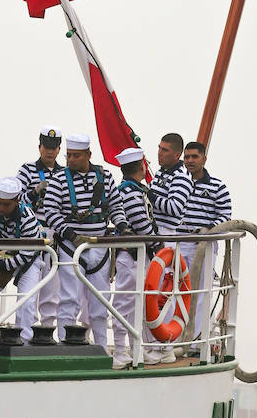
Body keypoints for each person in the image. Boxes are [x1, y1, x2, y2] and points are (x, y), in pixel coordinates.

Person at [44, 133, 125, 348]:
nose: (70, 160)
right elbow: (51, 212)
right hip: (70, 247)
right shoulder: (59, 179)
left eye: (76, 156)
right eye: (69, 155)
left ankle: (102, 348)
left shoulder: (105, 177)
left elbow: (116, 206)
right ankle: (64, 346)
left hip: (98, 248)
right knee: (68, 300)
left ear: (88, 155)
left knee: (100, 302)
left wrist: (122, 225)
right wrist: (70, 235)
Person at [0, 176, 44, 342]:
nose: (1, 207)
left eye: (6, 204)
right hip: (1, 255)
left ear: (17, 201)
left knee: (26, 301)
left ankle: (24, 342)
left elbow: (27, 255)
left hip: (28, 261)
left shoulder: (27, 217)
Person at [182, 140, 232, 354]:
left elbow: (225, 217)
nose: (190, 161)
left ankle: (194, 343)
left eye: (194, 157)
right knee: (174, 291)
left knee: (201, 293)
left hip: (204, 245)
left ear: (204, 159)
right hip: (179, 243)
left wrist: (208, 230)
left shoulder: (217, 187)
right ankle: (173, 340)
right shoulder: (179, 184)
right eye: (187, 157)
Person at [112, 147, 158, 368]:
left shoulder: (134, 190)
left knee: (139, 305)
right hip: (130, 257)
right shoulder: (130, 192)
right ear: (141, 166)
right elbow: (141, 225)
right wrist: (158, 244)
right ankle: (120, 350)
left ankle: (137, 348)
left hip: (140, 256)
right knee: (124, 304)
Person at [16, 126, 64, 331]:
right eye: (46, 147)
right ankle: (27, 332)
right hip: (33, 233)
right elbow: (16, 201)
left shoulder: (65, 173)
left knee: (52, 292)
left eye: (53, 148)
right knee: (30, 288)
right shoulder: (27, 170)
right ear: (39, 147)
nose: (49, 151)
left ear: (59, 149)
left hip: (56, 235)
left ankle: (46, 332)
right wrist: (35, 192)